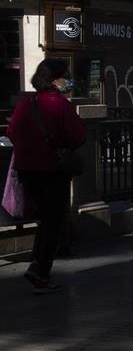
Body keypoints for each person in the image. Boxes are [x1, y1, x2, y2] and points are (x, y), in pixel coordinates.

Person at [7, 59, 86, 294]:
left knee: (43, 218)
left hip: (27, 170)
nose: (67, 80)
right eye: (65, 76)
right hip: (53, 170)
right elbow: (77, 137)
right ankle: (41, 273)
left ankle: (36, 264)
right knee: (53, 221)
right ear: (54, 80)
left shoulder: (25, 104)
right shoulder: (60, 105)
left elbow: (12, 132)